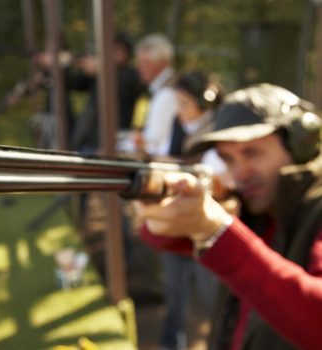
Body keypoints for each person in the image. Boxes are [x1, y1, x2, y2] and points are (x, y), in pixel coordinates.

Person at [134, 83, 322, 349]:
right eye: (228, 158)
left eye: (252, 153)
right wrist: (162, 207)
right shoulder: (257, 208)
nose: (239, 172)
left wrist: (215, 229)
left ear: (300, 146)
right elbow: (162, 237)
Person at [157, 70, 226, 350]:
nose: (179, 110)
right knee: (174, 290)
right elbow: (163, 153)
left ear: (204, 103)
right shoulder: (177, 123)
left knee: (213, 296)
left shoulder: (221, 131)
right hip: (178, 223)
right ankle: (172, 341)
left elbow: (218, 175)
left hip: (209, 227)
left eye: (184, 103)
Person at [133, 33, 178, 157]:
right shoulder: (165, 88)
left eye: (145, 62)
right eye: (139, 63)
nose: (139, 68)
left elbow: (153, 141)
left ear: (162, 62)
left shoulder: (166, 93)